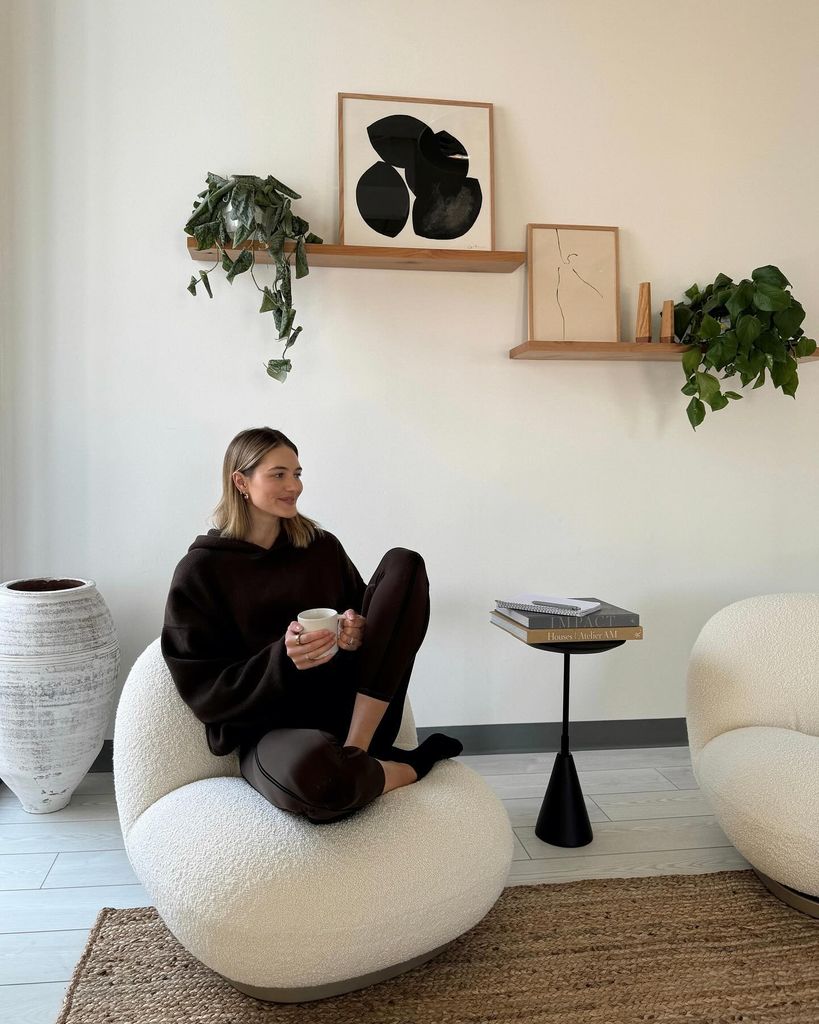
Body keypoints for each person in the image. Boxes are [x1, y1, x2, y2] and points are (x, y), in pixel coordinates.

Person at [160, 427, 462, 824]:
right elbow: (204, 692)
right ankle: (411, 765)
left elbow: (367, 627)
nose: (294, 486)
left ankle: (358, 752)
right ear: (241, 481)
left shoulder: (321, 547)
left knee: (404, 563)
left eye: (298, 474)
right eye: (279, 474)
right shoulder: (201, 571)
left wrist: (355, 630)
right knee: (320, 784)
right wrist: (282, 659)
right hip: (273, 733)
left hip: (357, 717)